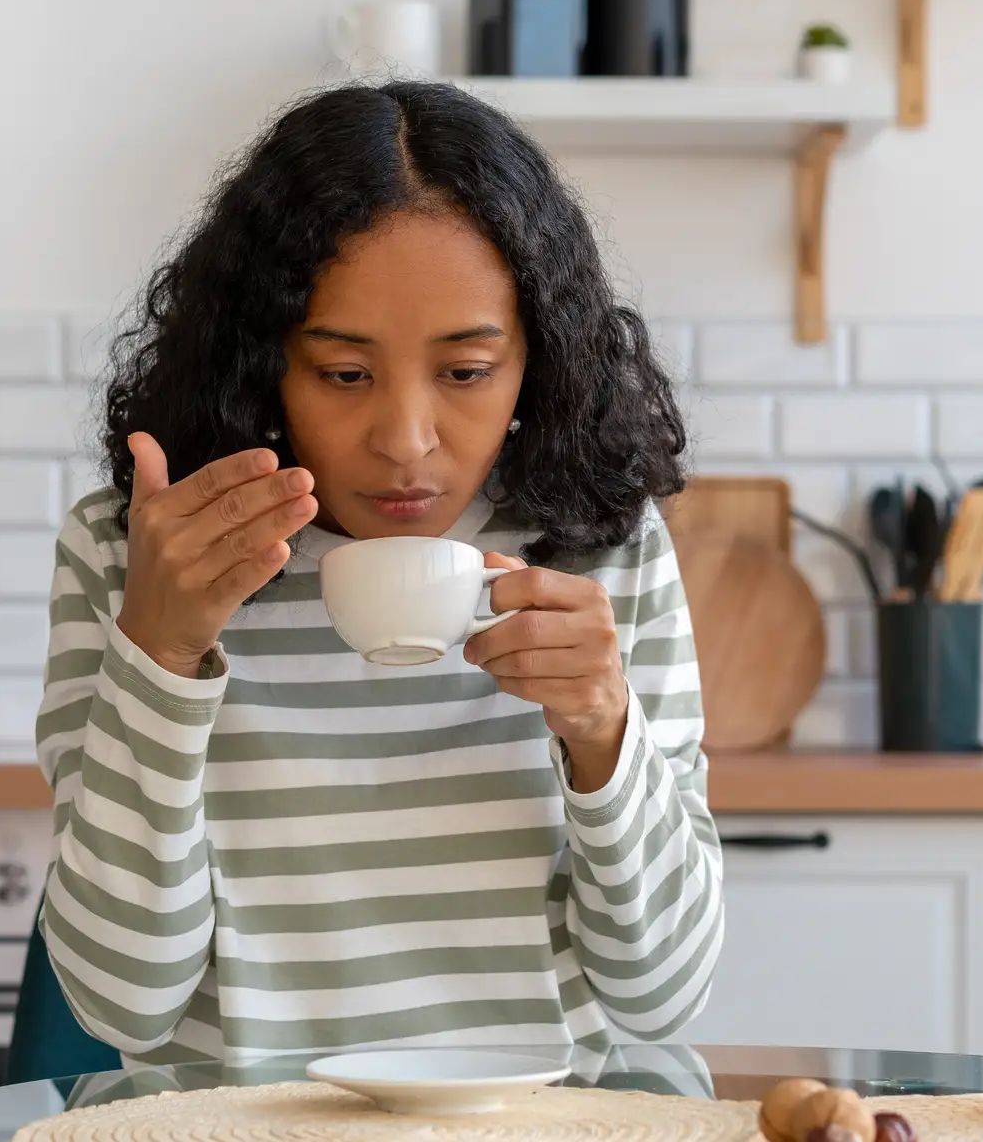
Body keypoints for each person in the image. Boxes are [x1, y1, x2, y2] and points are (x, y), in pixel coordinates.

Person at [36, 80, 721, 1066]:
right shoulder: (136, 550)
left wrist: (605, 732)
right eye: (346, 374)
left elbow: (663, 998)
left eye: (467, 371)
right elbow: (121, 1005)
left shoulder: (601, 547)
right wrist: (158, 653)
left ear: (542, 359)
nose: (407, 443)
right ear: (262, 359)